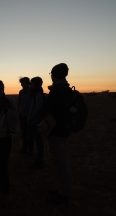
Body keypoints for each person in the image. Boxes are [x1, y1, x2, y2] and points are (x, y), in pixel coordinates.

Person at [44, 63, 73, 205]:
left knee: (61, 163)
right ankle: (62, 190)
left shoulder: (57, 91)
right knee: (60, 162)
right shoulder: (65, 89)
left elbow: (52, 112)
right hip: (63, 130)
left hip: (56, 131)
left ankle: (64, 194)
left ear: (54, 75)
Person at [26, 76, 46, 169]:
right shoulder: (35, 94)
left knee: (39, 141)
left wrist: (31, 118)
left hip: (36, 121)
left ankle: (40, 160)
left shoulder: (38, 94)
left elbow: (37, 108)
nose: (30, 85)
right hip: (34, 120)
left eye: (32, 83)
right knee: (38, 141)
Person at [18, 77, 32, 154]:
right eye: (21, 83)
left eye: (22, 83)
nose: (21, 84)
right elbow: (19, 103)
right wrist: (19, 112)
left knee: (29, 134)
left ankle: (30, 149)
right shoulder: (21, 92)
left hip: (30, 116)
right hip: (22, 115)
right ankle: (25, 148)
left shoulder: (31, 92)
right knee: (24, 133)